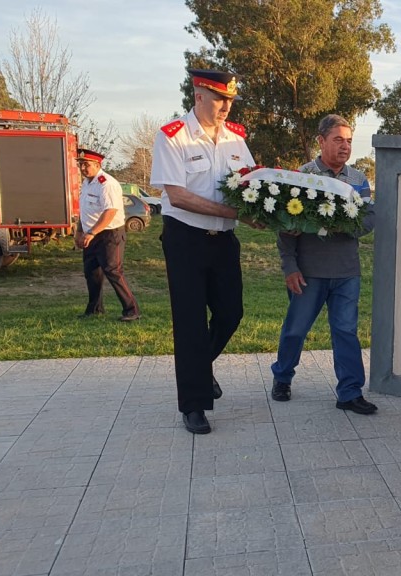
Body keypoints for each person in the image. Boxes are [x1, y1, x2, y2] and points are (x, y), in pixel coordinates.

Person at [150, 69, 260, 435]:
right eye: (219, 99)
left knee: (231, 313)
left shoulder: (236, 138)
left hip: (223, 241)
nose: (226, 106)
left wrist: (266, 213)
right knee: (191, 323)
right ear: (198, 96)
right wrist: (233, 212)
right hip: (186, 239)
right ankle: (194, 405)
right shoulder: (173, 136)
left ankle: (199, 368)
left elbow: (252, 185)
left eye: (230, 100)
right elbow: (178, 196)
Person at [269, 114, 377, 415]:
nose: (345, 146)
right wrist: (290, 266)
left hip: (346, 272)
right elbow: (286, 226)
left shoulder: (358, 180)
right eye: (338, 139)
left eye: (349, 141)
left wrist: (343, 226)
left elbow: (369, 218)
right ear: (321, 141)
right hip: (309, 272)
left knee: (346, 331)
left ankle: (350, 393)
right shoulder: (302, 176)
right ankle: (282, 377)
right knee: (296, 329)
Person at [74, 148, 141, 322]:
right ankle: (94, 309)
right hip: (91, 234)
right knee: (92, 273)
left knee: (113, 271)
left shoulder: (107, 184)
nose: (83, 168)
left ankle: (132, 310)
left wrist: (92, 232)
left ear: (97, 165)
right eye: (80, 164)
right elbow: (85, 211)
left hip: (109, 234)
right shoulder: (87, 183)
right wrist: (79, 231)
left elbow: (110, 212)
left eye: (86, 164)